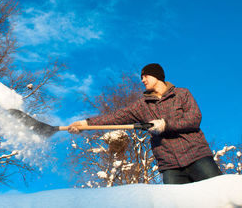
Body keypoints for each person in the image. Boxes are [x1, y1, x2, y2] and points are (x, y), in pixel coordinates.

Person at [68, 63, 222, 184]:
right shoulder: (142, 105)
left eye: (145, 76)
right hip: (170, 166)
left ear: (157, 76)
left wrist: (165, 125)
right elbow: (116, 117)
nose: (142, 80)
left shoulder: (181, 94)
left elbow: (194, 119)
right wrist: (85, 124)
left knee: (220, 196)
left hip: (197, 156)